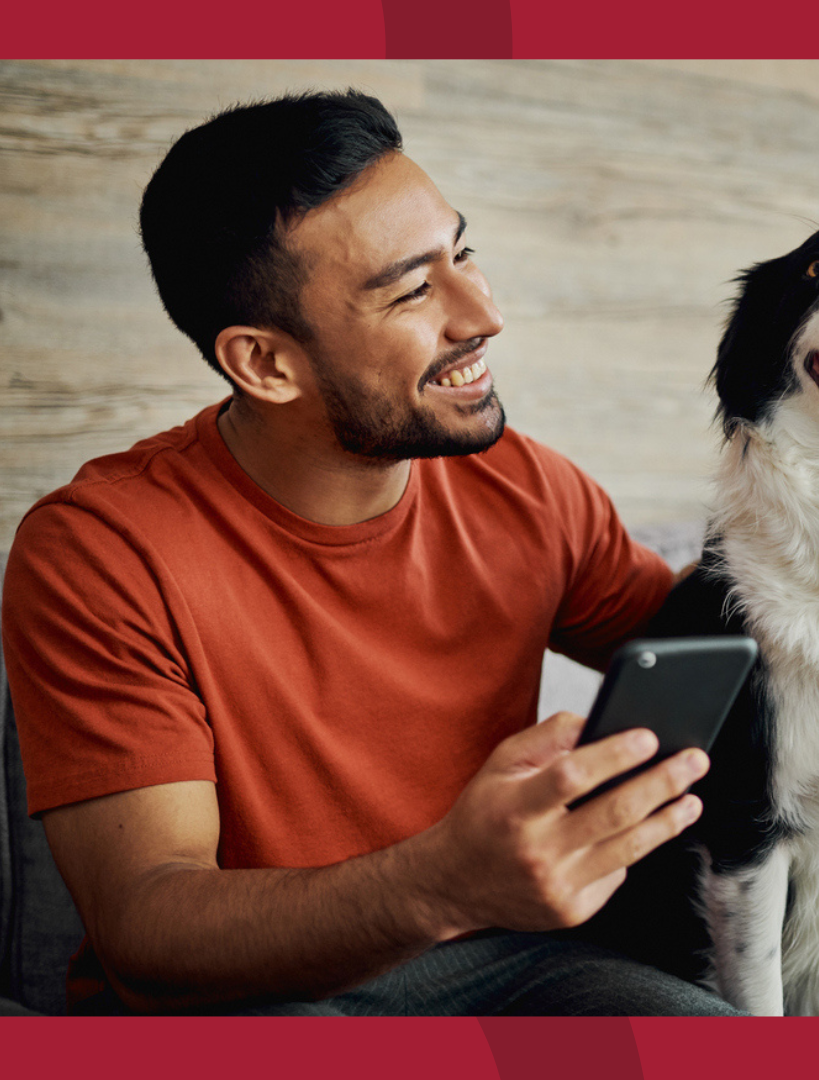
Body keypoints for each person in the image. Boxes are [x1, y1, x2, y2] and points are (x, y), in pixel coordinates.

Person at [1, 90, 740, 1016]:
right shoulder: (100, 551)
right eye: (413, 289)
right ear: (266, 364)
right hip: (249, 1000)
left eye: (462, 253)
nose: (484, 314)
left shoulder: (528, 487)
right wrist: (441, 883)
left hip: (517, 967)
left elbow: (723, 651)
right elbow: (145, 924)